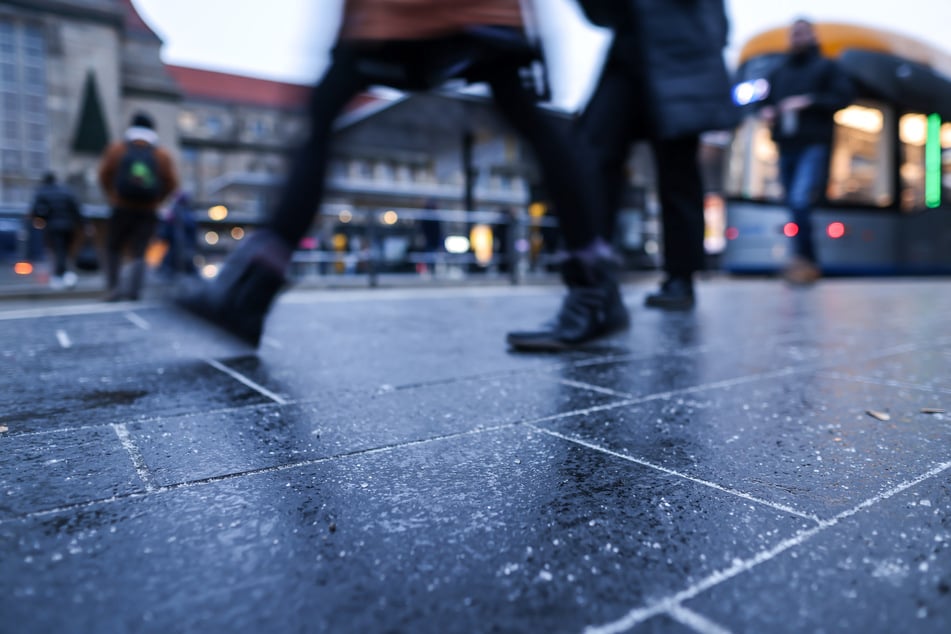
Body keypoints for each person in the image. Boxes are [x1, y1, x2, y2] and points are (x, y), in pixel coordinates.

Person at [177, 0, 626, 351]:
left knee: (324, 113)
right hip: (470, 16)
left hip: (402, 18)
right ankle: (594, 286)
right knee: (530, 120)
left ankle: (253, 291)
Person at [572, 0, 739, 310]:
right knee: (593, 158)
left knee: (677, 173)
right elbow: (601, 13)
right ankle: (594, 277)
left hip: (680, 57)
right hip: (630, 52)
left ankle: (680, 277)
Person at [758, 18, 854, 285]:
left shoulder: (827, 67)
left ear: (812, 36)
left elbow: (844, 97)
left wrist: (809, 102)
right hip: (785, 144)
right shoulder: (778, 72)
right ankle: (806, 260)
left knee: (800, 200)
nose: (797, 38)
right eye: (794, 34)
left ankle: (804, 260)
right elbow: (765, 102)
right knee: (793, 203)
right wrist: (767, 110)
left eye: (802, 33)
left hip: (813, 143)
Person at [98, 111, 179, 301]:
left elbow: (103, 175)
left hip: (121, 207)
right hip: (148, 210)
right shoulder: (161, 154)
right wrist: (157, 200)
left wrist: (114, 196)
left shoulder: (117, 150)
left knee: (113, 248)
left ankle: (114, 289)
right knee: (140, 251)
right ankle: (135, 291)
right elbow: (172, 182)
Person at [29, 171, 88, 290]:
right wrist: (84, 224)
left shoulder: (42, 192)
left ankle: (59, 276)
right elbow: (76, 209)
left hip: (52, 226)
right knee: (65, 251)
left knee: (57, 251)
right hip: (69, 225)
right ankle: (66, 275)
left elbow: (36, 211)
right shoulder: (65, 191)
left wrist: (40, 221)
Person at [158, 191, 199, 278]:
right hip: (184, 250)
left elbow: (164, 235)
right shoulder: (190, 216)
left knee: (168, 273)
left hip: (176, 250)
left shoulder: (172, 216)